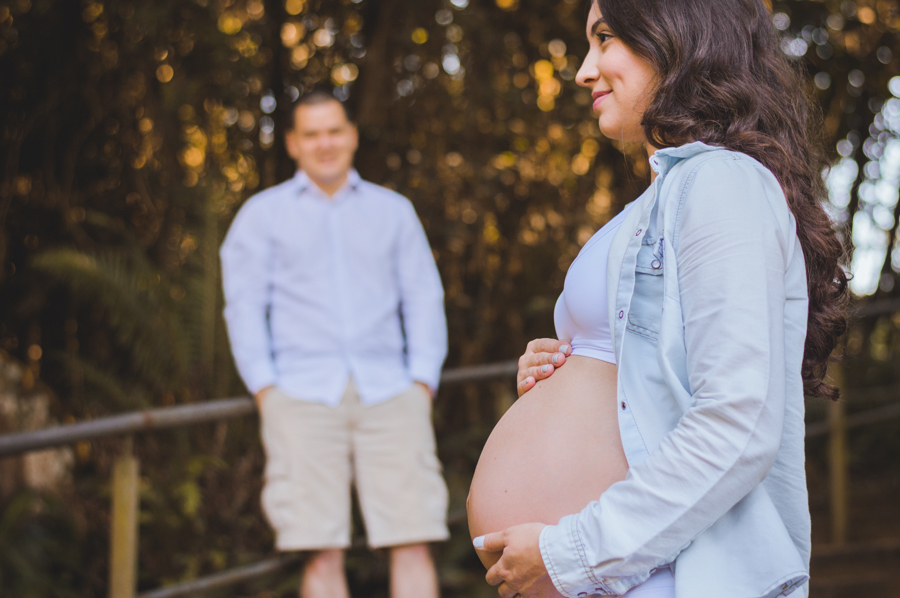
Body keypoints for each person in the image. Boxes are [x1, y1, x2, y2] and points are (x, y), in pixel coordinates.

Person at [466, 0, 848, 597]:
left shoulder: (721, 181)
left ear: (675, 36)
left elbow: (738, 422)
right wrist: (563, 373)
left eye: (604, 38)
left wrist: (569, 550)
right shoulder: (656, 201)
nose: (583, 71)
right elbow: (651, 381)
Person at [220, 90, 450, 598]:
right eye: (311, 134)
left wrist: (422, 381)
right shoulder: (261, 216)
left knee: (413, 541)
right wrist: (265, 389)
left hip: (392, 392)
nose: (324, 143)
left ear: (352, 136)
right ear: (293, 144)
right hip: (299, 397)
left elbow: (423, 297)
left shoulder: (394, 211)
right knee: (320, 550)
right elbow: (243, 307)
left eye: (333, 131)